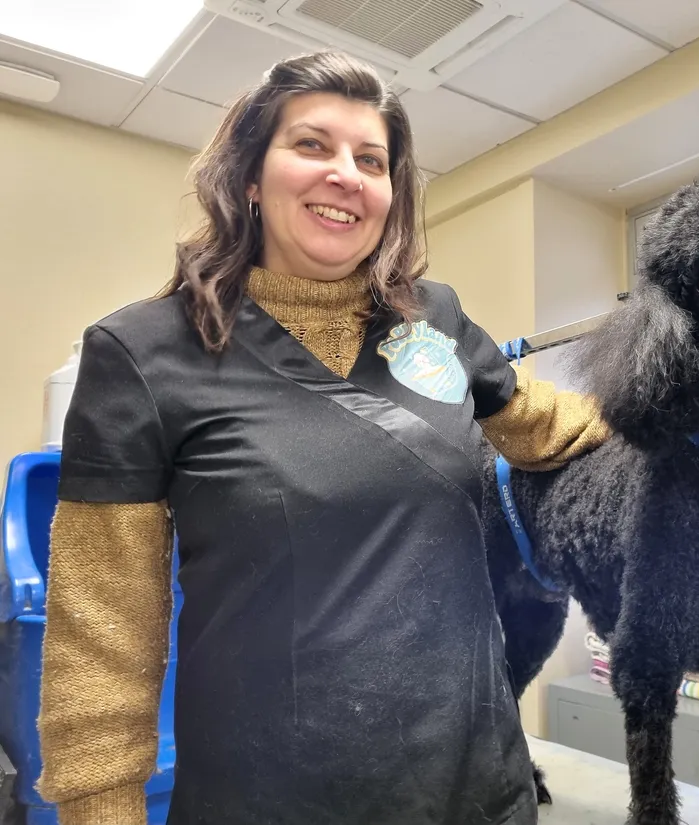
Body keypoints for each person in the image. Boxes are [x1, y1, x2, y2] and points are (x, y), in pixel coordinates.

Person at [36, 50, 610, 825]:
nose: (346, 174)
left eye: (370, 159)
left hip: (476, 787)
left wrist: (684, 409)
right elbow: (101, 634)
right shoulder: (141, 354)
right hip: (271, 796)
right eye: (312, 145)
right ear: (249, 176)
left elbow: (545, 425)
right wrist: (100, 806)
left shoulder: (433, 320)